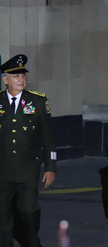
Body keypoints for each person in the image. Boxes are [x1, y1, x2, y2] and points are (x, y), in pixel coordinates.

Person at [0, 54, 57, 247]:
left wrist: (51, 167)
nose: (21, 79)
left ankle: (33, 241)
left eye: (22, 75)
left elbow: (48, 138)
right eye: (15, 76)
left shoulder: (37, 102)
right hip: (2, 168)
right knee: (2, 213)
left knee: (29, 210)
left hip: (28, 168)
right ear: (5, 79)